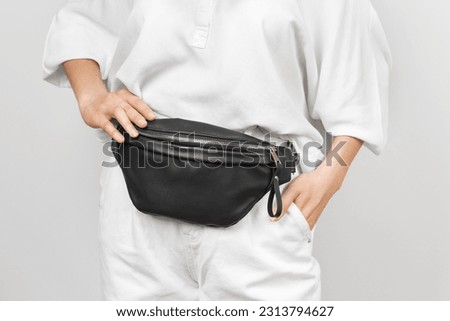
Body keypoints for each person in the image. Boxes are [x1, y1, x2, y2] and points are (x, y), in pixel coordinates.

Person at [42, 0, 391, 300]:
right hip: (138, 200)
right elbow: (83, 19)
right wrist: (91, 96)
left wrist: (330, 176)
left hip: (260, 209)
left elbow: (355, 84)